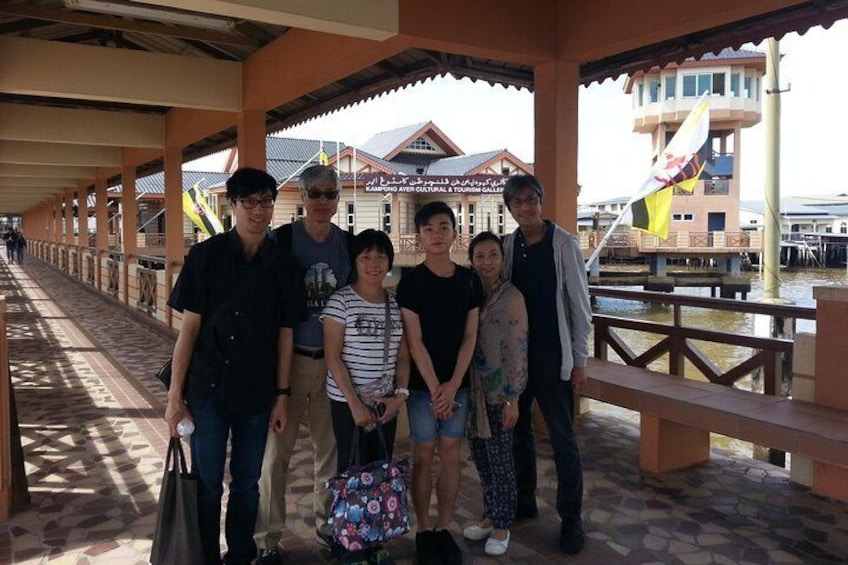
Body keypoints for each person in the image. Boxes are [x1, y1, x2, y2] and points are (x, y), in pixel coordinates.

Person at [164, 167, 305, 565]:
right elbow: (188, 329)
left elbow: (285, 335)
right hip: (208, 390)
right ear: (232, 205)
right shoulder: (205, 256)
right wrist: (175, 397)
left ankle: (240, 554)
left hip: (257, 393)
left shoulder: (284, 264)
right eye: (249, 202)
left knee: (247, 484)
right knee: (208, 483)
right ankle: (206, 556)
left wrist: (281, 397)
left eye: (266, 202)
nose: (259, 211)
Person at [255, 165, 353, 563]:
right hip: (289, 364)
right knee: (275, 455)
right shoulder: (280, 241)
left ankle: (327, 528)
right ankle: (266, 539)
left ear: (337, 198)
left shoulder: (348, 244)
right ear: (301, 194)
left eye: (330, 194)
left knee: (329, 453)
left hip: (333, 364)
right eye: (315, 193)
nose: (322, 201)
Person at [502, 174, 592, 555]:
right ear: (509, 209)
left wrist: (580, 361)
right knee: (518, 432)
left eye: (530, 200)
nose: (525, 208)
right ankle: (525, 498)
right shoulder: (508, 246)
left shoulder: (564, 243)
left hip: (553, 357)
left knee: (562, 438)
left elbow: (580, 305)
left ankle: (571, 517)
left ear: (541, 200)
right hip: (516, 358)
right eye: (517, 202)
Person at [396, 201, 484, 565]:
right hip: (422, 388)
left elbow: (470, 336)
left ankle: (444, 526)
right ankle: (423, 529)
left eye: (443, 227)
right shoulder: (411, 282)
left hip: (456, 386)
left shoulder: (469, 279)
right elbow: (413, 341)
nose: (436, 234)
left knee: (451, 455)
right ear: (419, 235)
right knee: (423, 454)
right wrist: (436, 389)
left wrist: (453, 385)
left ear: (455, 233)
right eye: (429, 228)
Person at [321, 229, 410, 565]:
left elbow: (403, 356)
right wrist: (355, 403)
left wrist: (399, 396)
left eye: (380, 257)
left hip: (384, 403)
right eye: (366, 257)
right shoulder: (340, 300)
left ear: (389, 261)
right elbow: (333, 357)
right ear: (355, 262)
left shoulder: (394, 302)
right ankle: (346, 540)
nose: (373, 264)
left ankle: (373, 536)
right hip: (348, 404)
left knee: (380, 469)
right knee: (350, 470)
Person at [462, 232, 528, 557]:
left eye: (493, 255)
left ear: (502, 259)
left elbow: (517, 349)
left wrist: (513, 398)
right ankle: (490, 515)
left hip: (499, 393)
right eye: (480, 256)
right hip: (471, 392)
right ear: (471, 259)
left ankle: (503, 526)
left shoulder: (511, 297)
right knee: (482, 459)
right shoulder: (469, 293)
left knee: (501, 460)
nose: (486, 262)